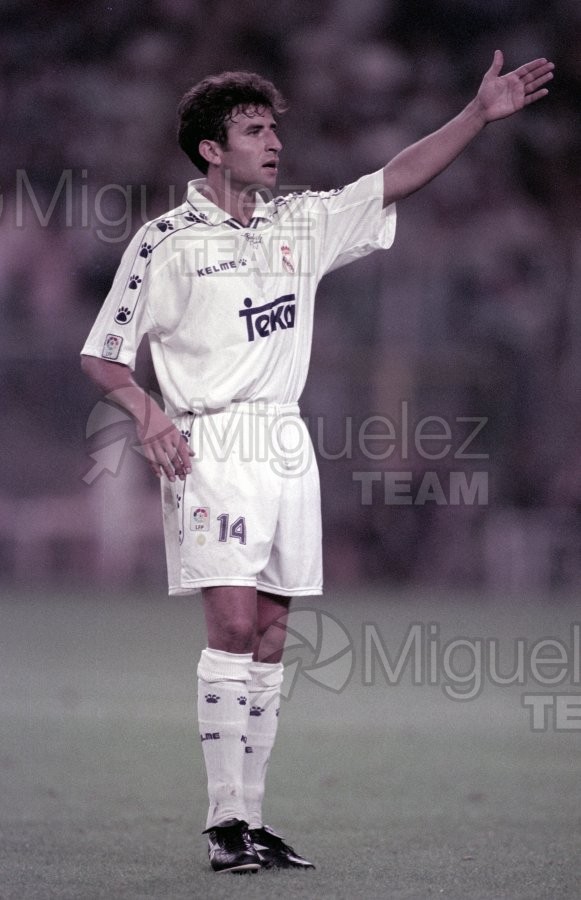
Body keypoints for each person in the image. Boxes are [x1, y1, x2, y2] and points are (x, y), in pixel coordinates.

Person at [81, 50, 553, 873]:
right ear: (210, 150)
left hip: (286, 447)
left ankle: (252, 820)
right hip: (213, 442)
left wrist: (476, 116)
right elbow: (103, 359)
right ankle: (222, 824)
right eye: (252, 130)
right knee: (229, 626)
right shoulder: (164, 242)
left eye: (273, 129)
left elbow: (393, 179)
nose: (272, 143)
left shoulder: (297, 221)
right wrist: (150, 416)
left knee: (269, 636)